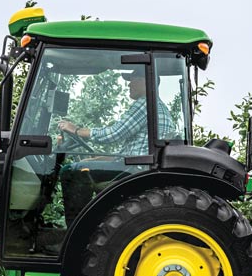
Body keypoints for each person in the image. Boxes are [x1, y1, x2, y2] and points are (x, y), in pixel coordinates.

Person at [54, 69, 176, 223]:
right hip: (139, 167)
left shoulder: (146, 103)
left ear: (146, 81)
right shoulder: (160, 108)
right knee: (83, 167)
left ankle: (76, 231)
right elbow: (130, 152)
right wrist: (99, 159)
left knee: (71, 171)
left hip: (134, 170)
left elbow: (114, 134)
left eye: (132, 79)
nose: (129, 84)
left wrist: (76, 130)